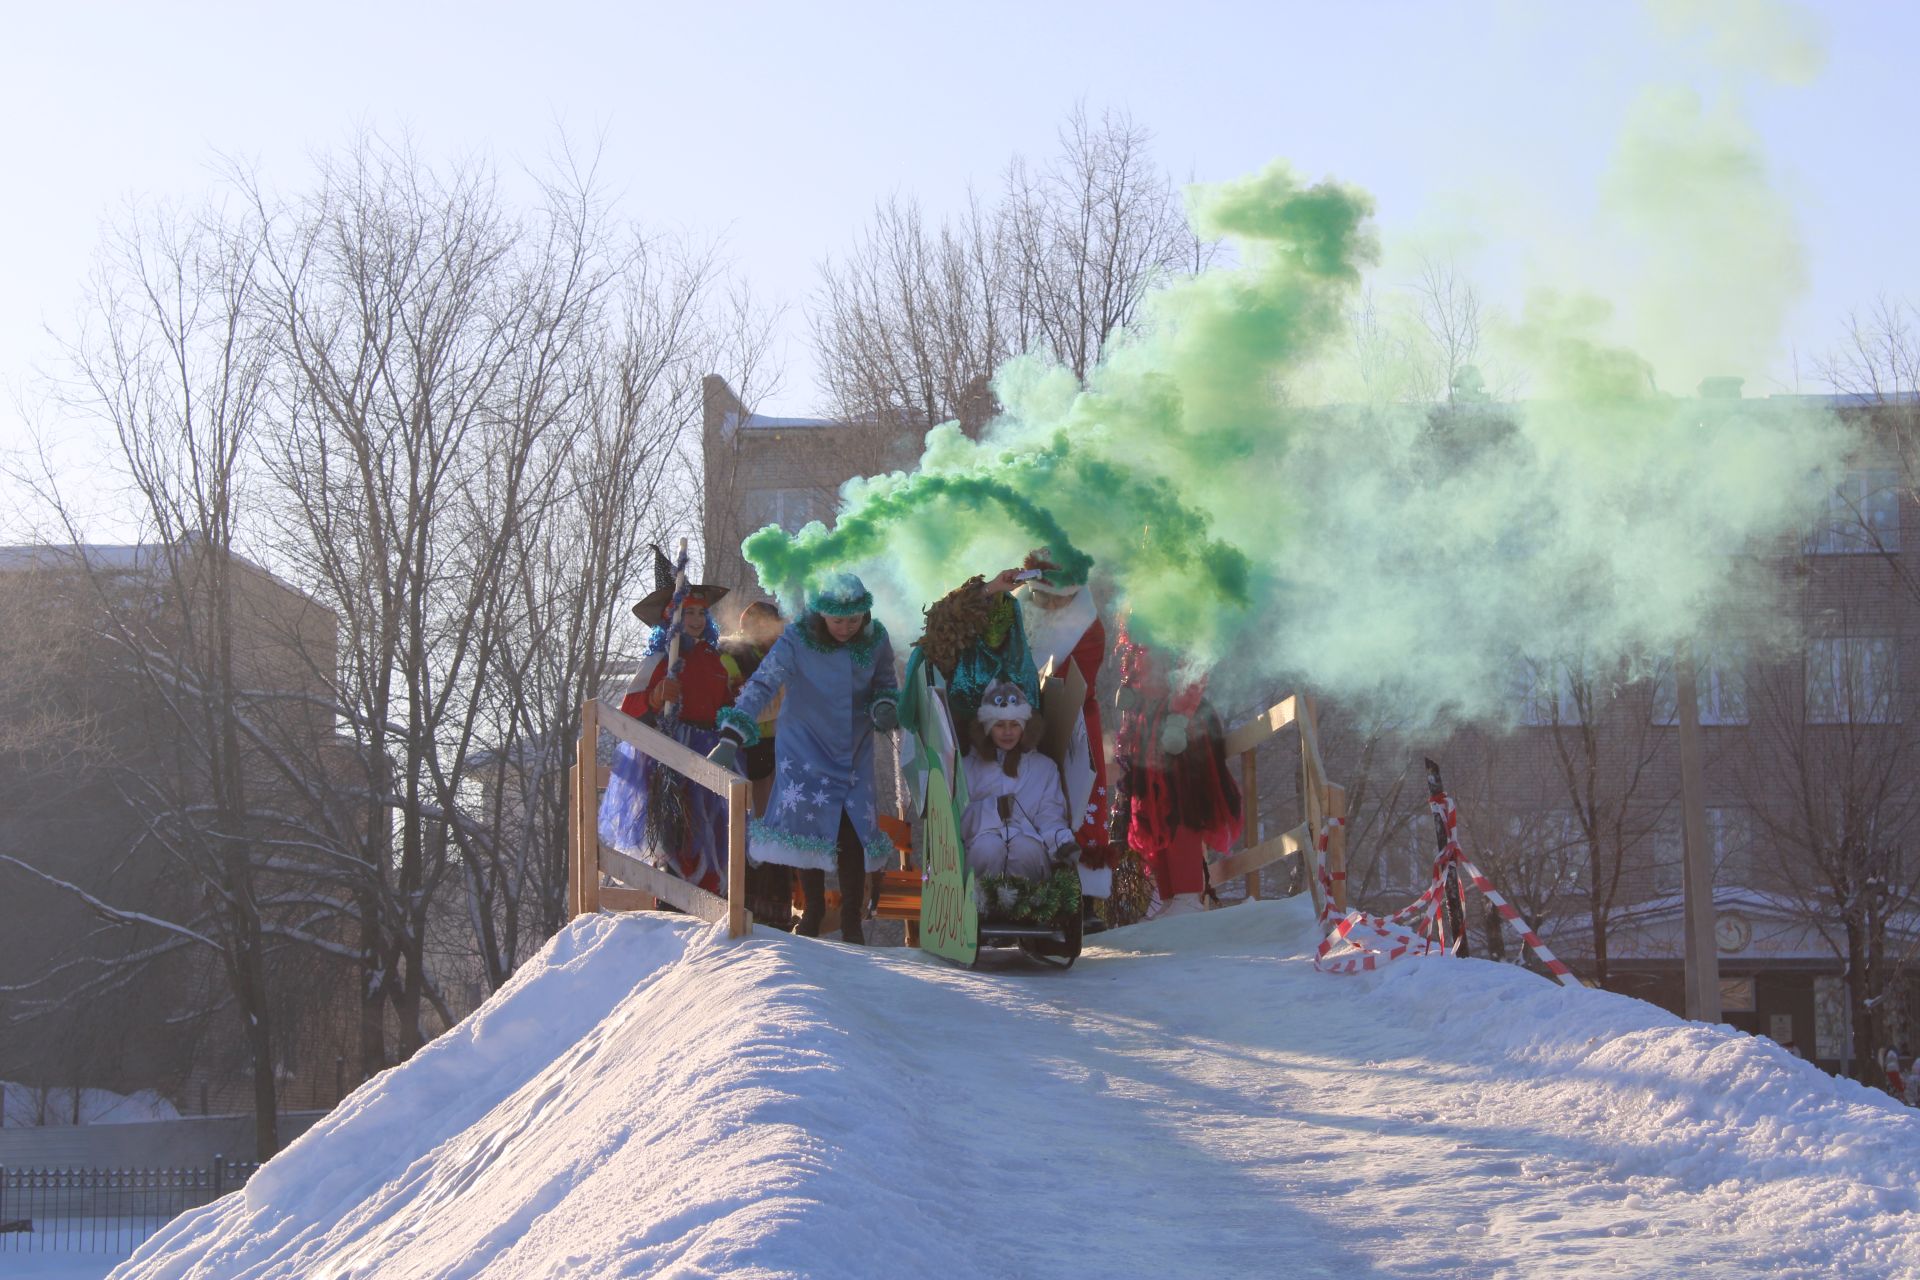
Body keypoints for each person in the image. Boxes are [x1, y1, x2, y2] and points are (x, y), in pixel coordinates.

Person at [711, 572, 898, 943]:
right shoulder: (797, 638)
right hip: (805, 745)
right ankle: (812, 910)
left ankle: (852, 920)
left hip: (854, 746)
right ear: (822, 615)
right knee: (807, 827)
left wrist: (885, 706)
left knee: (852, 829)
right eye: (838, 620)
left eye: (853, 620)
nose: (845, 628)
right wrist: (733, 734)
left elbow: (886, 683)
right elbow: (764, 683)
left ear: (865, 615)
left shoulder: (876, 640)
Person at [600, 547, 738, 893]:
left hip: (710, 755)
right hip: (670, 752)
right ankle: (672, 902)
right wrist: (656, 696)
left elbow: (725, 702)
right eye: (686, 612)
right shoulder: (659, 661)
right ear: (669, 618)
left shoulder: (714, 660)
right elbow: (629, 713)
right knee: (675, 830)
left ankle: (707, 903)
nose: (695, 619)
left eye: (700, 613)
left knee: (712, 829)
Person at [1113, 615, 1243, 917]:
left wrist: (1179, 718)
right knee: (1151, 809)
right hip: (1149, 726)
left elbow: (1194, 669)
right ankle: (1170, 895)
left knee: (1182, 808)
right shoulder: (1138, 632)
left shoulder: (1181, 620)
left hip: (1182, 729)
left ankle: (1187, 894)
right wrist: (1131, 693)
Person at [1016, 554, 1115, 905]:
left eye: (1060, 597)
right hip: (1020, 723)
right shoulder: (1016, 614)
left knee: (1078, 800)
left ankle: (1083, 896)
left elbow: (1075, 680)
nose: (1053, 604)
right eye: (1044, 596)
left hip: (1075, 721)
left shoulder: (1088, 627)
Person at [960, 681, 1079, 883]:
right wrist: (993, 810)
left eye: (1015, 724)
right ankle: (980, 909)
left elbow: (1050, 813)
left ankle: (1026, 910)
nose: (1008, 732)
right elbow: (959, 817)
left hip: (1028, 836)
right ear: (987, 728)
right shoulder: (969, 767)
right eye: (999, 725)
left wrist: (1061, 841)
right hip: (981, 838)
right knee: (988, 849)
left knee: (1027, 851)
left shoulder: (1044, 768)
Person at [912, 562, 1040, 729]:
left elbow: (1033, 722)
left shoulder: (1022, 671)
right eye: (989, 620)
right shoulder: (959, 654)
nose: (994, 629)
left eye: (1001, 620)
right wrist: (990, 588)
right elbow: (942, 620)